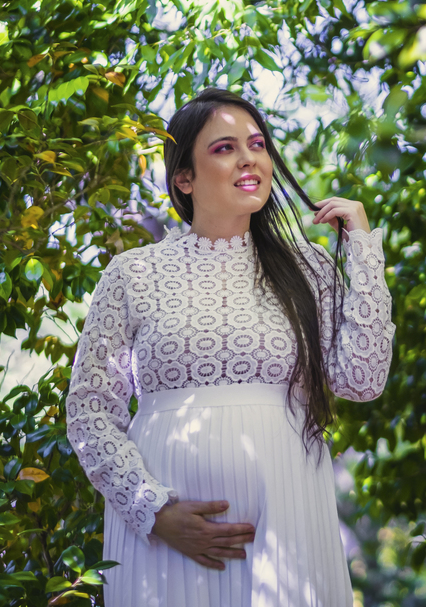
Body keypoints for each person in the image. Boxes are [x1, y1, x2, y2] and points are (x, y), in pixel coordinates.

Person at [66, 88, 395, 607]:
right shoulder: (133, 274)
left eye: (257, 144)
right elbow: (89, 411)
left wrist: (362, 249)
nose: (249, 159)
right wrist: (154, 512)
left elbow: (363, 379)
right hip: (162, 541)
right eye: (225, 148)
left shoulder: (306, 268)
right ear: (184, 178)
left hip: (288, 524)